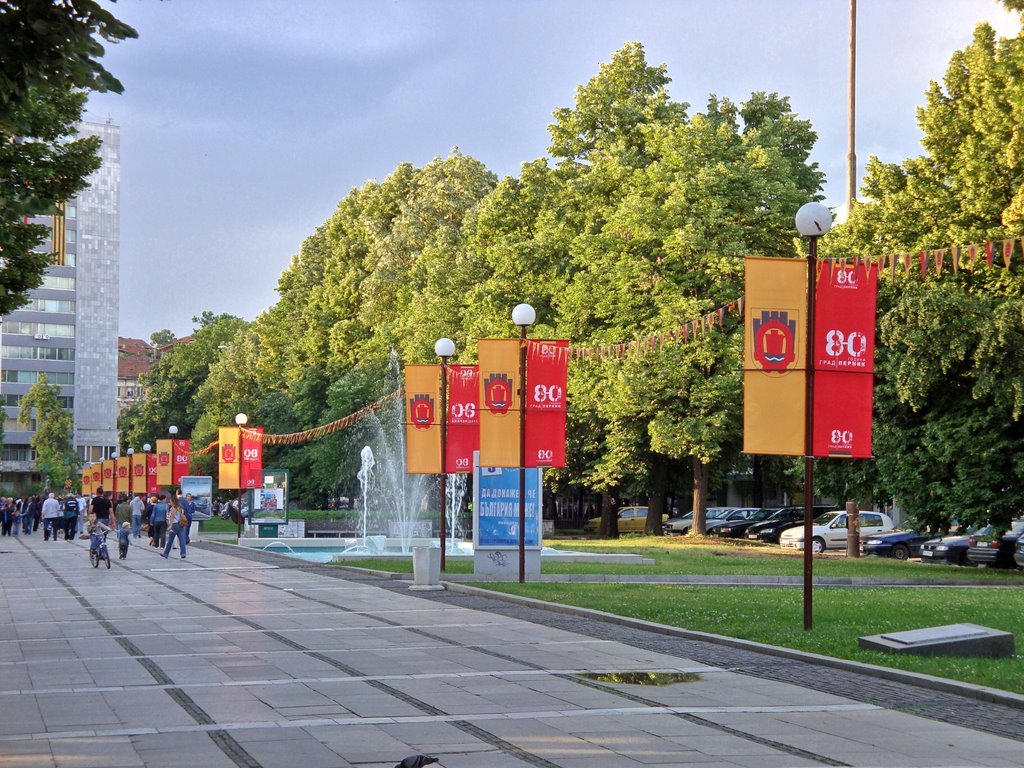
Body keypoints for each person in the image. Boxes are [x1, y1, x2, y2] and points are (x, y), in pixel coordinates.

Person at [161, 493, 188, 559]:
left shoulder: (173, 508)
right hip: (181, 524)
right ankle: (183, 553)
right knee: (182, 540)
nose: (170, 503)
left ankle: (166, 553)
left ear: (173, 502)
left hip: (175, 525)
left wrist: (170, 526)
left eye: (170, 502)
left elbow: (172, 518)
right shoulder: (181, 508)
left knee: (170, 540)